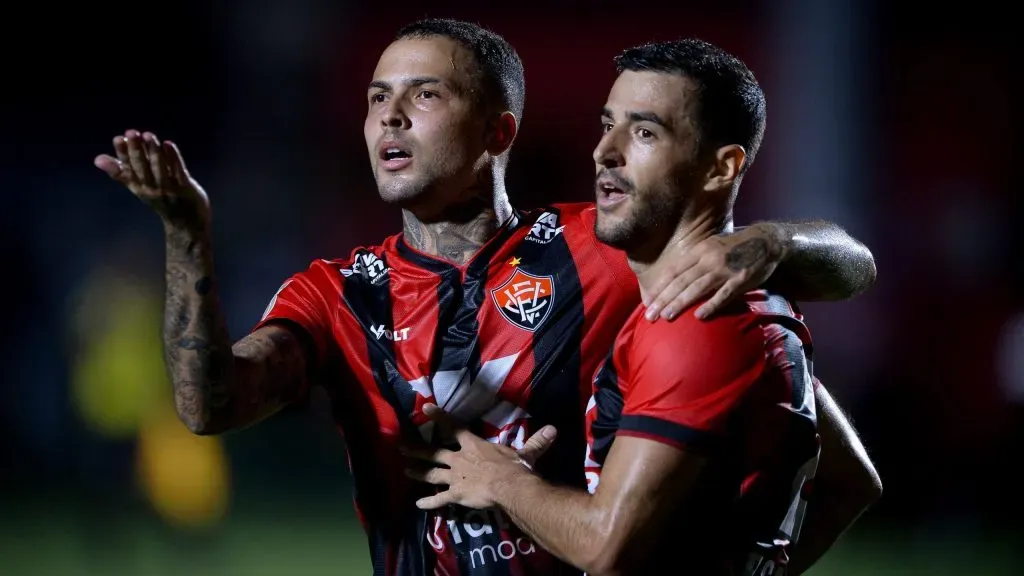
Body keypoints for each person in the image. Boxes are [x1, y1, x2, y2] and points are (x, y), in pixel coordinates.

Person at [94, 19, 877, 576]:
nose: (389, 115)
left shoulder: (600, 250)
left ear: (497, 132)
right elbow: (207, 406)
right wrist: (186, 235)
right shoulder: (334, 295)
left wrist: (772, 243)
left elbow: (842, 291)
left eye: (424, 94)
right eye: (376, 97)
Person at [405, 38, 881, 575]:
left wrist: (503, 481)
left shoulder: (696, 323)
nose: (605, 151)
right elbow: (852, 481)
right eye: (608, 124)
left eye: (645, 132)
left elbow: (607, 547)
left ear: (721, 168)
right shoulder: (747, 298)